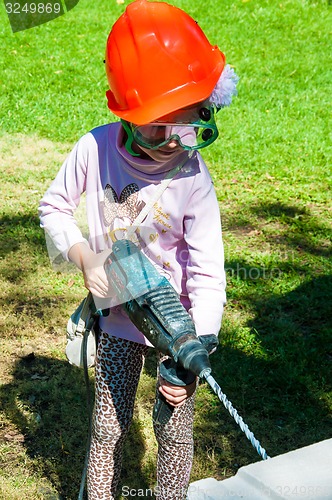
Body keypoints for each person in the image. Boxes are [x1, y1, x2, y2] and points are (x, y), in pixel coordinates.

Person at [39, 0, 238, 498]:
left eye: (186, 120)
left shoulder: (194, 177)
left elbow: (209, 273)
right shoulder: (95, 148)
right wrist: (83, 256)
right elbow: (54, 207)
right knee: (108, 425)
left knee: (174, 431)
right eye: (157, 122)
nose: (172, 138)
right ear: (126, 110)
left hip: (179, 328)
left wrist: (200, 342)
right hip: (120, 319)